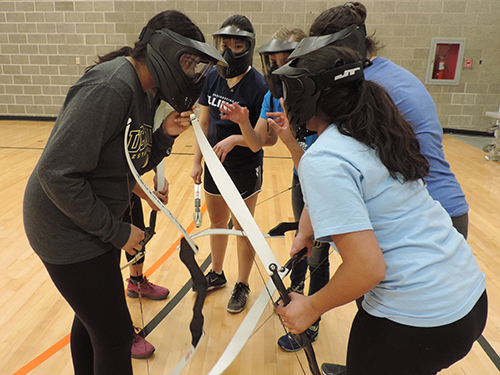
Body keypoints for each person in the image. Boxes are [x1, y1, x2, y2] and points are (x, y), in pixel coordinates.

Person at [23, 10, 225, 375]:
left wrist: (164, 134)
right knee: (115, 336)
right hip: (64, 230)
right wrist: (118, 231)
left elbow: (132, 161)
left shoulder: (145, 92)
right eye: (190, 62)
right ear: (163, 50)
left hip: (89, 225)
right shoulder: (111, 86)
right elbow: (57, 175)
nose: (192, 72)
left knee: (93, 322)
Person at [272, 45, 487, 375]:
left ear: (308, 97)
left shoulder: (325, 157)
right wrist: (307, 229)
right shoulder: (374, 132)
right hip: (469, 301)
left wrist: (311, 307)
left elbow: (367, 269)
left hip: (416, 323)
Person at [294, 1, 470, 239]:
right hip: (437, 206)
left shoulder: (365, 89)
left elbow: (333, 160)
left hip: (426, 213)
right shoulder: (391, 74)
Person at [257, 27, 330, 352]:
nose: (277, 68)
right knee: (301, 246)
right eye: (273, 62)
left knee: (318, 251)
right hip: (301, 176)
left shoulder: (321, 93)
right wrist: (239, 129)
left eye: (284, 60)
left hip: (327, 182)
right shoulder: (273, 93)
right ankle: (295, 299)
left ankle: (311, 319)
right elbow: (262, 139)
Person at [191, 15, 268, 314]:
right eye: (226, 45)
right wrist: (198, 160)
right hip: (214, 164)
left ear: (247, 47)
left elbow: (257, 141)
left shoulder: (259, 85)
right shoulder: (211, 76)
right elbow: (203, 120)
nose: (229, 51)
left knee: (243, 227)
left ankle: (243, 283)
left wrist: (238, 132)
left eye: (237, 46)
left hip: (245, 165)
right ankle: (217, 273)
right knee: (217, 221)